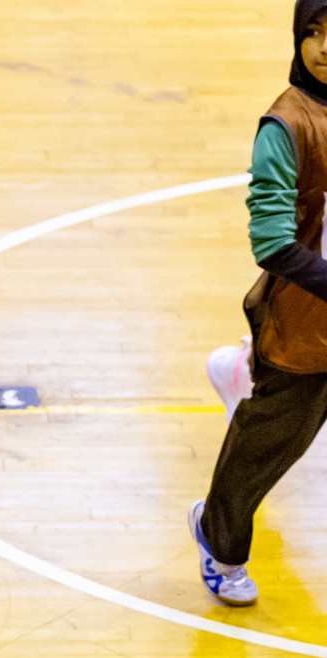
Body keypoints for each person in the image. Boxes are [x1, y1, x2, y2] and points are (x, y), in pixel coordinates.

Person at [191, 0, 327, 607]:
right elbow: (272, 243)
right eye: (313, 34)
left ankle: (241, 370)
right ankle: (217, 539)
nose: (322, 47)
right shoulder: (286, 126)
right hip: (306, 323)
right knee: (270, 446)